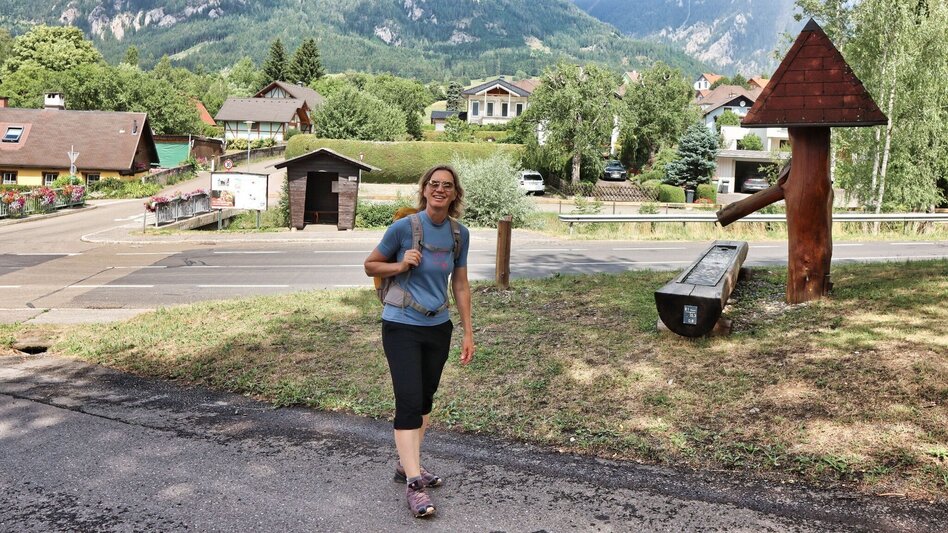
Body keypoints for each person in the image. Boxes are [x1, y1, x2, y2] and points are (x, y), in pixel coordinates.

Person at [363, 165, 475, 518]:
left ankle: (406, 465)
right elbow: (370, 266)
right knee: (409, 401)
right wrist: (400, 266)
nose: (440, 189)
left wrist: (468, 331)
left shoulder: (460, 235)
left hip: (438, 326)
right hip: (401, 326)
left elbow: (460, 284)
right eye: (434, 184)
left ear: (455, 194)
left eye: (447, 185)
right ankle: (414, 483)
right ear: (424, 189)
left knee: (425, 400)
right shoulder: (403, 228)